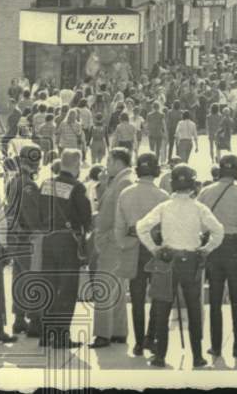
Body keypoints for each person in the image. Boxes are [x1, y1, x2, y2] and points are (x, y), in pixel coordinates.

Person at [136, 164, 225, 368]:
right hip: (191, 261)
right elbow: (219, 231)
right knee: (194, 309)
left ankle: (160, 356)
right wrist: (206, 249)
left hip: (167, 260)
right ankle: (198, 357)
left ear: (173, 184)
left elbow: (142, 227)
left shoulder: (164, 207)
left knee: (162, 308)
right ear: (193, 184)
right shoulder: (199, 208)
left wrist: (155, 248)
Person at [197, 155, 237, 358]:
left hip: (213, 248)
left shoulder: (205, 192)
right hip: (233, 248)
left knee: (214, 300)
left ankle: (215, 346)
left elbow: (197, 221)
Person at [35, 149, 92, 348]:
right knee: (67, 290)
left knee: (49, 286)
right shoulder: (77, 187)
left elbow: (39, 210)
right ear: (76, 165)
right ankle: (61, 337)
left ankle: (45, 334)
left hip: (48, 240)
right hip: (68, 242)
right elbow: (86, 217)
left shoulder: (45, 183)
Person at [113, 153, 168, 356]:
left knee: (136, 298)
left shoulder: (126, 193)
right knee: (156, 295)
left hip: (132, 245)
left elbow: (118, 225)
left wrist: (123, 244)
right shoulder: (163, 195)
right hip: (154, 247)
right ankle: (150, 337)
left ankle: (137, 343)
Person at [89, 147, 134, 348]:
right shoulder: (119, 180)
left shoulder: (123, 181)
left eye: (109, 161)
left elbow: (120, 215)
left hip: (112, 242)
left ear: (117, 161)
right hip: (115, 241)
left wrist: (107, 238)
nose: (107, 165)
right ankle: (117, 331)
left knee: (104, 287)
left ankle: (103, 334)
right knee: (116, 288)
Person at [5, 144, 44, 337]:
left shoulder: (14, 180)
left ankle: (19, 319)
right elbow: (32, 215)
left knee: (19, 278)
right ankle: (35, 321)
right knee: (33, 277)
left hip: (15, 238)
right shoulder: (28, 184)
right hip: (26, 238)